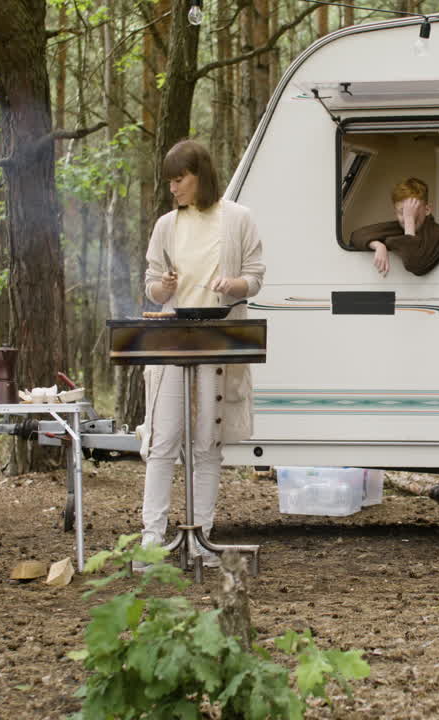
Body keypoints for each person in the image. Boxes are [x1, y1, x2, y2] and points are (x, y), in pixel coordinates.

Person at [136, 138, 265, 569]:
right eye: (170, 181)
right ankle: (152, 538)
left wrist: (234, 285)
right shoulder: (166, 225)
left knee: (207, 443)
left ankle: (200, 539)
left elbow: (255, 277)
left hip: (217, 337)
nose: (173, 188)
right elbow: (152, 286)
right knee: (162, 440)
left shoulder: (238, 218)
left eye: (180, 179)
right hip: (174, 339)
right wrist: (164, 288)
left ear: (200, 176)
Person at [348, 177, 439, 277]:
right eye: (401, 212)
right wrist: (378, 246)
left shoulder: (437, 233)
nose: (406, 218)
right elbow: (357, 235)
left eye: (412, 212)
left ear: (427, 210)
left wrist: (409, 222)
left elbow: (414, 264)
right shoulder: (398, 228)